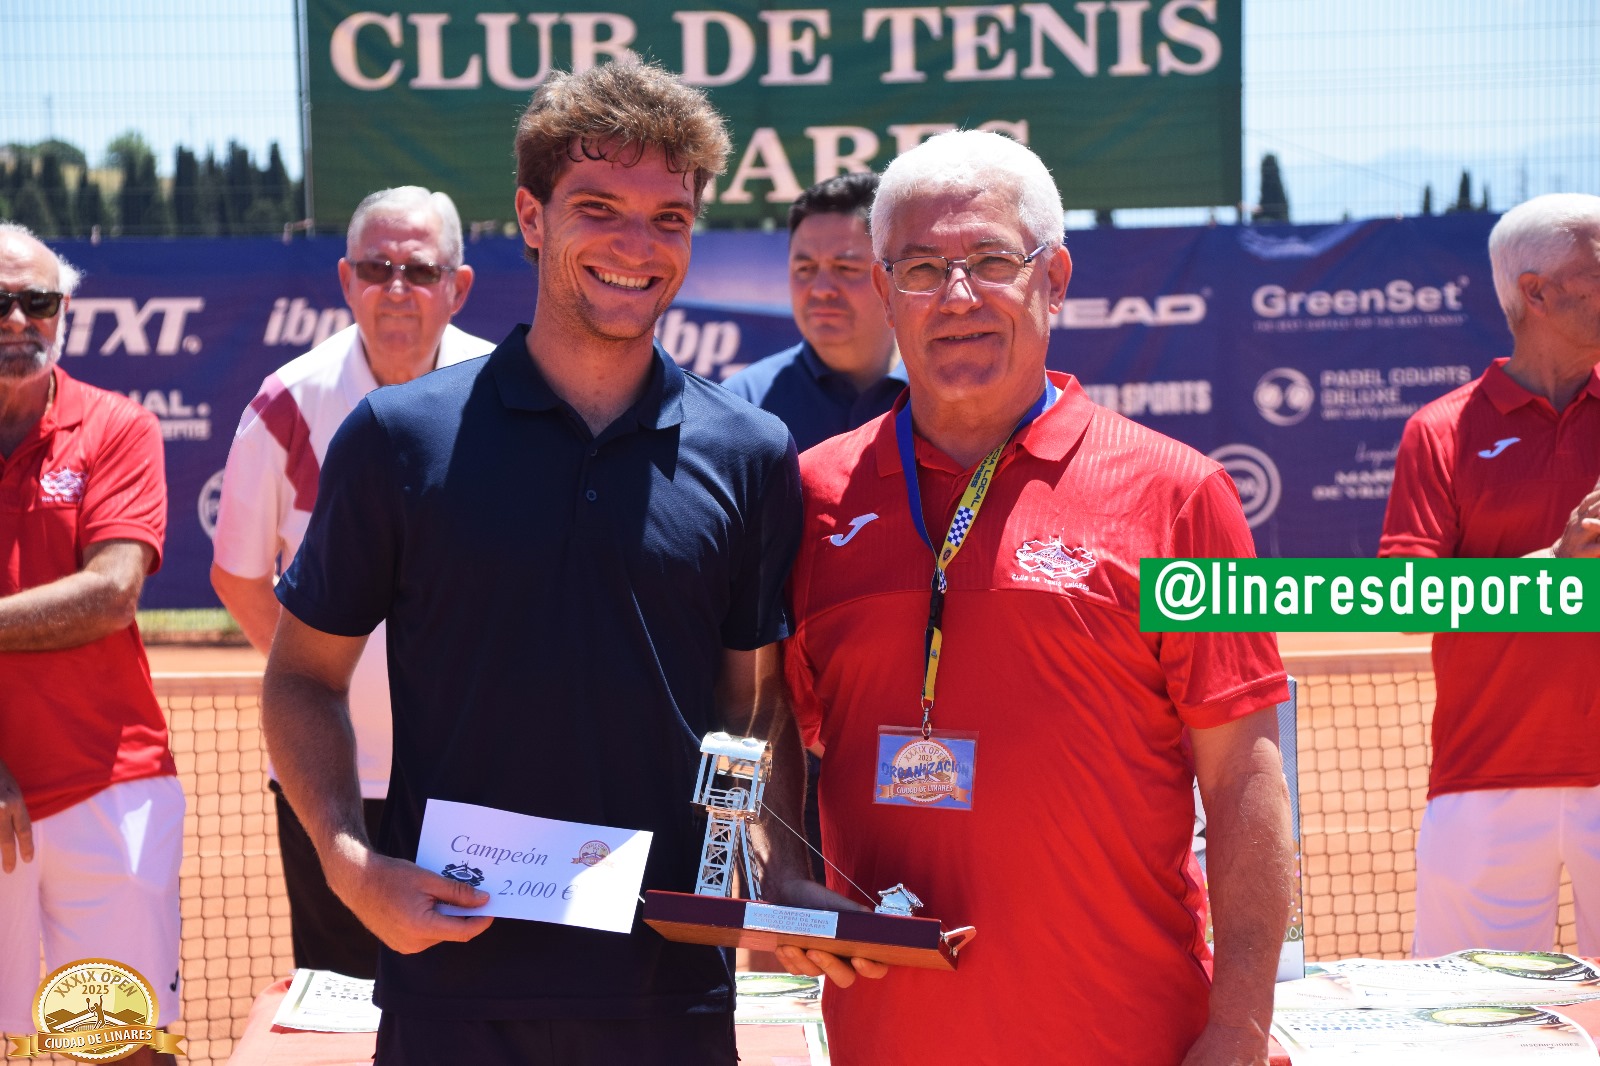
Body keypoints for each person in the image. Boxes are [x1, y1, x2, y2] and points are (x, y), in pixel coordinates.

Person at [259, 63, 832, 1066]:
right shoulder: (399, 437)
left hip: (671, 994)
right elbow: (303, 675)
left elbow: (754, 706)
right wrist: (351, 864)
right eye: (598, 208)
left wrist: (775, 869)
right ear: (531, 216)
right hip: (453, 992)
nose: (635, 245)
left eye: (668, 218)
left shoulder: (749, 451)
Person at [769, 130, 1295, 1065]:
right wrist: (787, 873)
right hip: (890, 1044)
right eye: (921, 268)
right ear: (884, 292)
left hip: (1129, 1039)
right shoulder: (812, 499)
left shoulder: (1185, 496)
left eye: (990, 261)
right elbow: (770, 720)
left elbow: (1243, 778)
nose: (956, 296)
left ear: (1053, 278)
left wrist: (1240, 1028)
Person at [211, 185, 491, 979]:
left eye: (420, 270)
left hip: (474, 771)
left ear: (458, 286)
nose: (397, 288)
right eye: (376, 268)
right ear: (346, 280)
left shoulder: (506, 393)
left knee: (479, 997)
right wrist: (317, 688)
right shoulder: (285, 404)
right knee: (342, 1008)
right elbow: (237, 576)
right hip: (331, 779)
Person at [1380, 192, 1600, 958]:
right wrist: (1550, 572)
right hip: (1486, 777)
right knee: (1474, 1015)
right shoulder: (1442, 432)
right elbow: (1403, 602)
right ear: (1536, 292)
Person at [0, 222, 181, 1065]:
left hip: (110, 791)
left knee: (119, 1046)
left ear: (63, 310)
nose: (18, 320)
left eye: (37, 301)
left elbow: (110, 594)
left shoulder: (116, 426)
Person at [723, 173, 904, 452]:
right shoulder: (741, 406)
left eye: (846, 268)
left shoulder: (941, 395)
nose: (821, 290)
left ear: (888, 277)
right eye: (805, 269)